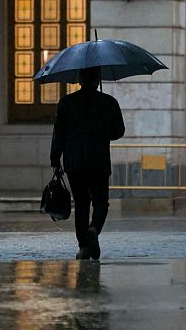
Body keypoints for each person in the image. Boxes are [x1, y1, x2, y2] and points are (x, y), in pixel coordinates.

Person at [50, 66, 125, 260]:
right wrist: (102, 132)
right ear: (98, 80)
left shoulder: (66, 103)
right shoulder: (109, 102)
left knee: (82, 204)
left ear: (80, 80)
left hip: (74, 162)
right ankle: (94, 229)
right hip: (99, 160)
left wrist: (55, 159)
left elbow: (59, 133)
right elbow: (119, 131)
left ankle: (84, 246)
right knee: (101, 202)